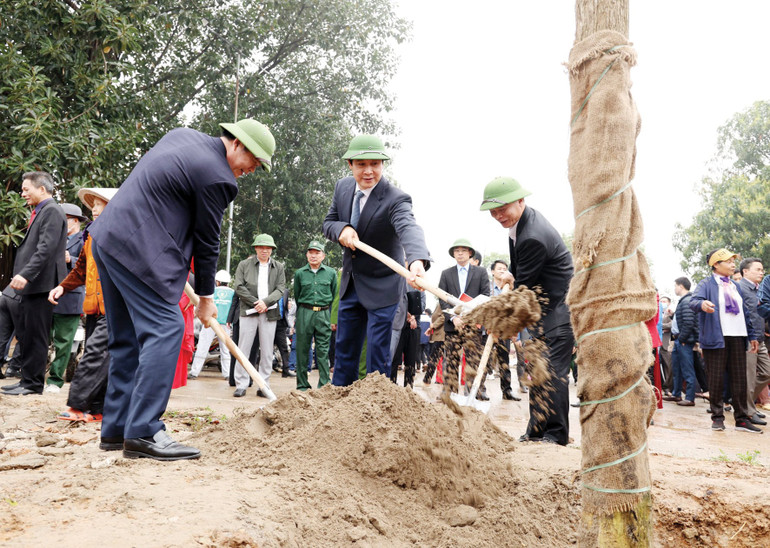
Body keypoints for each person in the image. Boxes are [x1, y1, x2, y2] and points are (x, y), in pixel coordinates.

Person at [88, 118, 275, 460]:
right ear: (237, 144)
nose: (251, 171)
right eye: (254, 162)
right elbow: (207, 242)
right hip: (139, 248)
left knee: (127, 339)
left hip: (107, 236)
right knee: (167, 328)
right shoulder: (218, 177)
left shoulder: (183, 136)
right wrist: (206, 298)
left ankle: (116, 429)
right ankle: (143, 431)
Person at [323, 135, 431, 386]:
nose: (369, 171)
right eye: (361, 164)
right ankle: (340, 406)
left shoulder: (396, 198)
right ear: (350, 164)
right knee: (345, 351)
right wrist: (342, 229)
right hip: (351, 284)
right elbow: (328, 223)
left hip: (383, 288)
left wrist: (416, 261)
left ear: (383, 164)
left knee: (377, 355)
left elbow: (409, 228)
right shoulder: (343, 188)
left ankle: (376, 413)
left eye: (375, 163)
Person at [480, 176, 574, 445]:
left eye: (503, 208)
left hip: (556, 315)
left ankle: (556, 435)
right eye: (493, 211)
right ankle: (536, 430)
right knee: (536, 375)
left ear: (521, 201)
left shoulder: (532, 236)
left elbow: (524, 293)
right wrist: (514, 278)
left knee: (552, 376)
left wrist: (499, 322)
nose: (499, 216)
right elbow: (524, 279)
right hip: (542, 315)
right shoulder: (521, 225)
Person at [49, 188, 118, 422]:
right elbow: (80, 269)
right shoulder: (91, 235)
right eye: (94, 205)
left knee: (95, 354)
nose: (94, 210)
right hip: (94, 306)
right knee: (100, 355)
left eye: (100, 204)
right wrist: (63, 287)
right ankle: (98, 410)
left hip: (116, 307)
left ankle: (77, 405)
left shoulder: (122, 233)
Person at [2, 171, 67, 396]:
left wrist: (26, 274)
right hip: (34, 285)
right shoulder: (41, 211)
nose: (22, 194)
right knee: (27, 333)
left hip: (42, 284)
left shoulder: (51, 211)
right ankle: (26, 380)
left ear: (42, 189)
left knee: (37, 334)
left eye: (26, 189)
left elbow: (45, 248)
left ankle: (33, 384)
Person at [690, 248, 760, 433]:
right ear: (715, 264)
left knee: (739, 380)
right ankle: (718, 418)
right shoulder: (706, 284)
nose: (732, 264)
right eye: (728, 261)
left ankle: (742, 420)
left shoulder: (735, 286)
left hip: (738, 336)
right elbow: (694, 301)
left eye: (733, 261)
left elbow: (745, 313)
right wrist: (702, 304)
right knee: (716, 379)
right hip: (716, 338)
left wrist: (752, 335)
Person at [233, 233, 286, 398]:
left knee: (267, 351)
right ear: (256, 248)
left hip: (269, 312)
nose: (265, 250)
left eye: (268, 248)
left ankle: (264, 384)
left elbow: (280, 288)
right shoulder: (244, 264)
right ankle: (241, 383)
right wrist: (256, 302)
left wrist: (266, 302)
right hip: (249, 312)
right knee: (243, 348)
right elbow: (239, 286)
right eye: (261, 247)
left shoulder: (279, 267)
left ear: (272, 250)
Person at [438, 238, 491, 400]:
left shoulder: (480, 272)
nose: (460, 253)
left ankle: (476, 390)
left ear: (470, 253)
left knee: (474, 359)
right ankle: (449, 392)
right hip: (453, 324)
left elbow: (486, 296)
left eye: (463, 250)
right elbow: (442, 298)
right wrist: (453, 318)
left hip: (472, 324)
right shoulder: (446, 274)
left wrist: (470, 317)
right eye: (457, 251)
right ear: (453, 254)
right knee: (451, 359)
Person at [46, 203, 87, 393]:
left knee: (64, 341)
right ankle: (35, 375)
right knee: (40, 337)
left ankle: (55, 380)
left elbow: (88, 266)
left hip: (70, 297)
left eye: (65, 219)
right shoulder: (53, 238)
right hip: (47, 294)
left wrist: (71, 259)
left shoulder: (84, 239)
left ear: (75, 221)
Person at [293, 239, 337, 390]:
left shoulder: (331, 273)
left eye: (317, 253)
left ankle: (324, 384)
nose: (313, 256)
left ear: (323, 256)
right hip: (305, 312)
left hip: (324, 313)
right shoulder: (299, 273)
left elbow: (334, 295)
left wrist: (332, 318)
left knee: (323, 350)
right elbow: (297, 295)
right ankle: (302, 384)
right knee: (302, 350)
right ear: (306, 255)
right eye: (311, 253)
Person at [737, 258, 769, 425]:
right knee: (749, 378)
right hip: (749, 340)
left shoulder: (759, 290)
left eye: (762, 269)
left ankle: (743, 400)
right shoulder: (740, 288)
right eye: (758, 269)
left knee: (766, 373)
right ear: (745, 272)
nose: (761, 272)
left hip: (761, 338)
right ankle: (748, 410)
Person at [188, 270, 234, 380]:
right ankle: (227, 374)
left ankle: (194, 372)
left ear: (217, 281)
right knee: (226, 350)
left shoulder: (212, 291)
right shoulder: (233, 293)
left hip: (210, 323)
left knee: (202, 347)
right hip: (226, 324)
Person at [663, 277, 699, 406]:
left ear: (681, 286)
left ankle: (689, 397)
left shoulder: (688, 300)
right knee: (676, 369)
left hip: (683, 340)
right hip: (678, 339)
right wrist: (673, 315)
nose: (674, 289)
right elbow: (682, 320)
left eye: (675, 286)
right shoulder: (683, 301)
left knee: (687, 369)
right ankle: (676, 394)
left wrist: (683, 339)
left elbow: (689, 323)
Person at [490, 259, 520, 401]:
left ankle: (507, 391)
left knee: (504, 361)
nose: (502, 271)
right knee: (484, 360)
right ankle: (478, 390)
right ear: (492, 272)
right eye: (499, 268)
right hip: (488, 328)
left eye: (504, 269)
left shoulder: (510, 288)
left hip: (503, 330)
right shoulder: (487, 286)